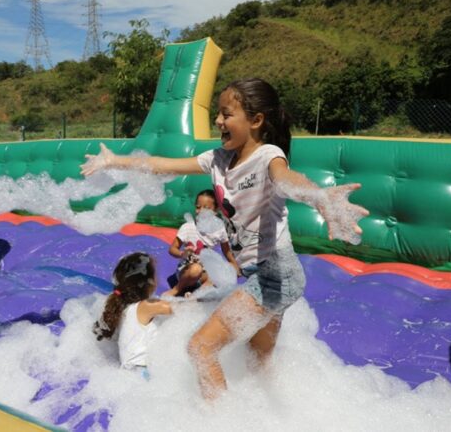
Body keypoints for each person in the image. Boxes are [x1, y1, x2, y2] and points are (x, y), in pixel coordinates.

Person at [82, 78, 369, 399]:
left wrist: (318, 197)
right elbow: (164, 165)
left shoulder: (267, 156)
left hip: (275, 276)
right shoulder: (218, 159)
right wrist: (115, 161)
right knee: (258, 359)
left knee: (200, 349)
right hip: (271, 277)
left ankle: (221, 421)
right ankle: (277, 412)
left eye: (226, 114)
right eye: (218, 114)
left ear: (256, 120)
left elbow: (286, 179)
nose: (218, 121)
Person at [93, 252, 173, 375]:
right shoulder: (146, 306)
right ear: (149, 281)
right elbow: (184, 308)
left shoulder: (123, 307)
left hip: (130, 374)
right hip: (143, 373)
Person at [163, 189, 240, 298]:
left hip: (204, 272)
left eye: (206, 208)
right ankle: (177, 289)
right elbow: (172, 249)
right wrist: (182, 254)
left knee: (221, 273)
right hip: (187, 272)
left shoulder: (219, 229)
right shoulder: (188, 227)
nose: (200, 211)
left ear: (216, 210)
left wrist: (235, 266)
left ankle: (196, 296)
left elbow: (227, 252)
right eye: (198, 207)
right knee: (196, 269)